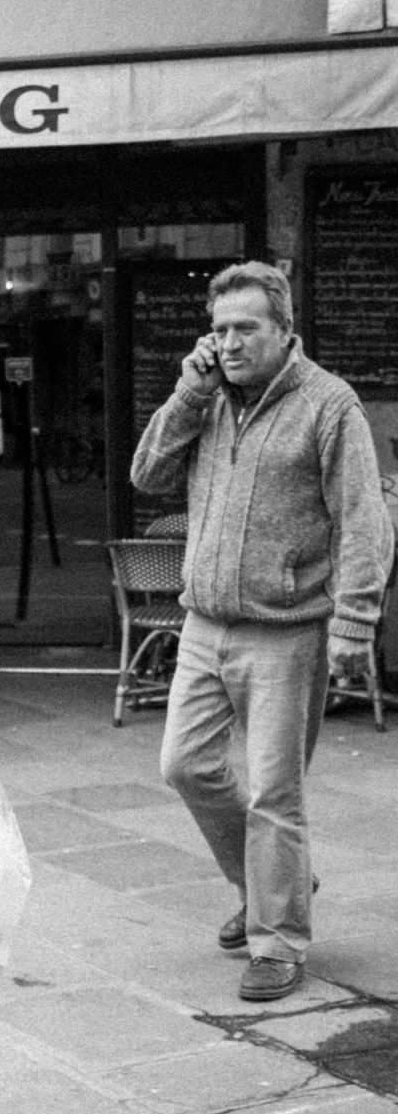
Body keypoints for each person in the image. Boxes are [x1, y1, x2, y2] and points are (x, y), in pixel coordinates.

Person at [131, 260, 394, 1003]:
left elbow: (363, 520)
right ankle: (269, 881)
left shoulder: (328, 405)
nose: (231, 342)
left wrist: (355, 618)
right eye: (219, 329)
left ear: (285, 331)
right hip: (206, 621)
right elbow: (146, 473)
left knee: (277, 791)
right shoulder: (207, 397)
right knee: (185, 765)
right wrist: (190, 390)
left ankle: (278, 939)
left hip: (286, 631)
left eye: (246, 328)